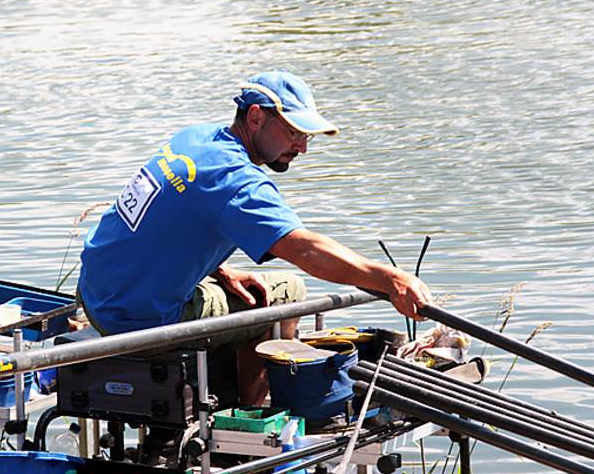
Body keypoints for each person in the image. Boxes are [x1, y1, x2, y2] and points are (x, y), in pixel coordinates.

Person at [78, 70, 431, 405]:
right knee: (287, 293)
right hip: (136, 321)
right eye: (294, 132)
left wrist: (221, 270)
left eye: (306, 136)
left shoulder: (195, 139)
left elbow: (172, 221)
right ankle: (249, 421)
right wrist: (391, 279)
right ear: (256, 117)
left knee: (253, 287)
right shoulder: (238, 182)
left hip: (94, 291)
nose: (303, 147)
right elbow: (304, 249)